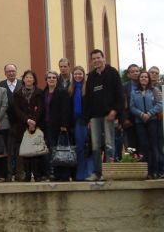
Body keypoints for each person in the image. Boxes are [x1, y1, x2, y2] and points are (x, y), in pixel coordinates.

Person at [83, 49, 123, 181]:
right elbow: (88, 99)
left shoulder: (113, 73)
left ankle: (109, 173)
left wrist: (115, 111)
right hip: (94, 117)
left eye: (98, 58)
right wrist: (88, 118)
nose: (96, 61)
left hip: (108, 115)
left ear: (103, 58)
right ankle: (97, 173)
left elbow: (120, 94)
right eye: (93, 59)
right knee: (95, 145)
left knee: (109, 145)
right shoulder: (91, 77)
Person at [130, 71, 162, 178]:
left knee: (154, 146)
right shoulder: (134, 92)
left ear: (148, 79)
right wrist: (141, 114)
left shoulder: (154, 91)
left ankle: (155, 171)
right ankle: (147, 172)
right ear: (139, 79)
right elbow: (132, 107)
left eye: (146, 77)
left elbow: (159, 105)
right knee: (144, 146)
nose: (144, 78)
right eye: (142, 77)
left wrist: (149, 114)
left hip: (152, 121)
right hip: (140, 122)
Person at [14, 70, 44, 182]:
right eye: (27, 77)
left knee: (37, 151)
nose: (29, 79)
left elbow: (41, 108)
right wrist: (27, 120)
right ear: (23, 79)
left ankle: (37, 175)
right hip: (23, 126)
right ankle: (27, 175)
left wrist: (34, 121)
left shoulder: (39, 93)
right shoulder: (18, 94)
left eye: (31, 77)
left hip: (36, 126)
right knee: (25, 152)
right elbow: (17, 110)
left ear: (34, 80)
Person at [42, 71, 71, 181]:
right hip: (47, 125)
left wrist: (64, 124)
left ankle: (61, 174)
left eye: (54, 77)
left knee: (59, 150)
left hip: (59, 126)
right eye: (49, 77)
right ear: (46, 80)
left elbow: (65, 110)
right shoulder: (44, 92)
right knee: (50, 149)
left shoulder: (62, 92)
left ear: (57, 80)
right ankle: (51, 172)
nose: (51, 79)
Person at [68, 66, 93, 180]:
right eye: (76, 74)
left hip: (85, 121)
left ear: (84, 75)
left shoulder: (87, 88)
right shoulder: (70, 89)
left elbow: (91, 106)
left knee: (87, 147)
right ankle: (79, 174)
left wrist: (89, 119)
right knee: (78, 148)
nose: (78, 76)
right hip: (74, 122)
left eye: (80, 74)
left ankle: (87, 173)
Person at [0, 63, 22, 180]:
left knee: (19, 149)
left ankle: (18, 173)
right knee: (7, 149)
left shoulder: (22, 84)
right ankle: (8, 173)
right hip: (5, 122)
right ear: (5, 73)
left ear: (16, 72)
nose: (11, 73)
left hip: (20, 123)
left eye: (13, 71)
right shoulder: (1, 85)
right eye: (8, 71)